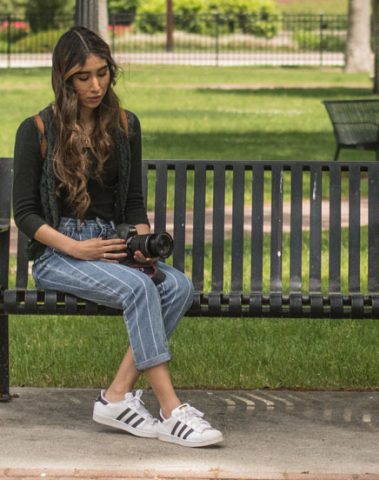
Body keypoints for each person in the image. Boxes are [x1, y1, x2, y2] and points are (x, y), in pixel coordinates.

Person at [12, 26, 223, 448]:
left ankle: (116, 397)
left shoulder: (125, 125)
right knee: (141, 290)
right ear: (64, 79)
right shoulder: (35, 129)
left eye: (103, 73)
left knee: (178, 286)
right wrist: (76, 247)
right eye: (83, 77)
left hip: (112, 245)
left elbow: (131, 202)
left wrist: (140, 244)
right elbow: (25, 214)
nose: (95, 85)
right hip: (61, 253)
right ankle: (171, 409)